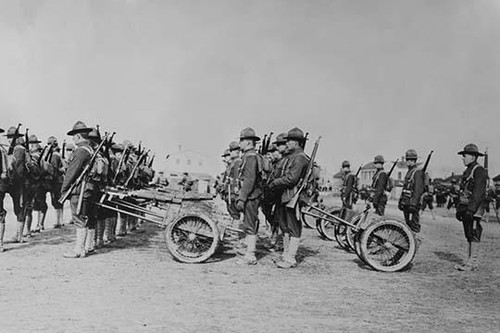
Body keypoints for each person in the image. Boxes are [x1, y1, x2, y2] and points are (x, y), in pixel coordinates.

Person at [268, 128, 309, 269]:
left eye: (290, 141)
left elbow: (291, 179)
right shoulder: (292, 156)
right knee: (285, 226)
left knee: (293, 227)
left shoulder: (300, 158)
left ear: (296, 143)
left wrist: (275, 183)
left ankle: (291, 258)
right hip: (286, 195)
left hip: (294, 196)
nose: (287, 143)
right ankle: (286, 254)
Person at [61, 121, 94, 258]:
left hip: (79, 190)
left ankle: (79, 250)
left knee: (78, 218)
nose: (73, 139)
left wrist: (64, 189)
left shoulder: (80, 151)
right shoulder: (90, 149)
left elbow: (71, 172)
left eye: (74, 136)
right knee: (84, 219)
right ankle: (85, 247)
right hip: (88, 189)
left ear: (79, 137)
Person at [454, 144, 487, 271]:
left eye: (464, 156)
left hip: (474, 209)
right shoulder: (468, 171)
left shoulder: (479, 170)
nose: (462, 158)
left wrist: (471, 210)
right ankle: (470, 261)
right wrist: (459, 210)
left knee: (473, 233)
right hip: (466, 208)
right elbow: (463, 192)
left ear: (473, 157)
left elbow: (478, 193)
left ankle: (472, 263)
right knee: (468, 233)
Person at [235, 128, 263, 265]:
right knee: (248, 223)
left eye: (241, 140)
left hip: (251, 196)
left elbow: (249, 180)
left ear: (248, 142)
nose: (240, 143)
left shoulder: (251, 157)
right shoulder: (248, 156)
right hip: (250, 195)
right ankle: (248, 250)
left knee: (250, 224)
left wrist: (242, 197)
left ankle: (251, 256)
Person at [1, 126, 26, 244]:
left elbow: (19, 169)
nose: (11, 139)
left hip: (15, 182)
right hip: (10, 182)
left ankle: (19, 235)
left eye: (12, 137)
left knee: (18, 208)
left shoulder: (19, 149)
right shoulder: (7, 150)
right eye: (9, 137)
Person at [398, 149, 425, 235]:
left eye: (411, 160)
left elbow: (418, 190)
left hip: (412, 203)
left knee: (414, 225)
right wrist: (401, 201)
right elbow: (405, 188)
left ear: (414, 160)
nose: (408, 161)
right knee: (407, 224)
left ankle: (415, 244)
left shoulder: (417, 172)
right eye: (407, 159)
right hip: (406, 201)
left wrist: (413, 204)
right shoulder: (409, 172)